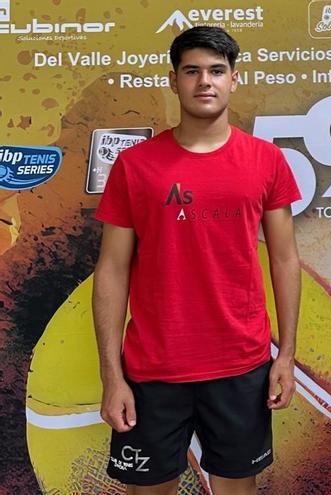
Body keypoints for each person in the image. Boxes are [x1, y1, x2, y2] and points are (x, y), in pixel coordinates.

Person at [92, 26, 301, 495]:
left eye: (216, 71)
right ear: (174, 80)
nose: (204, 81)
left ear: (233, 80)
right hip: (153, 368)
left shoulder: (266, 161)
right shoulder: (135, 165)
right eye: (192, 71)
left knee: (235, 488)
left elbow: (285, 260)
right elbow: (111, 269)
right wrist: (112, 375)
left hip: (241, 365)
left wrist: (285, 355)